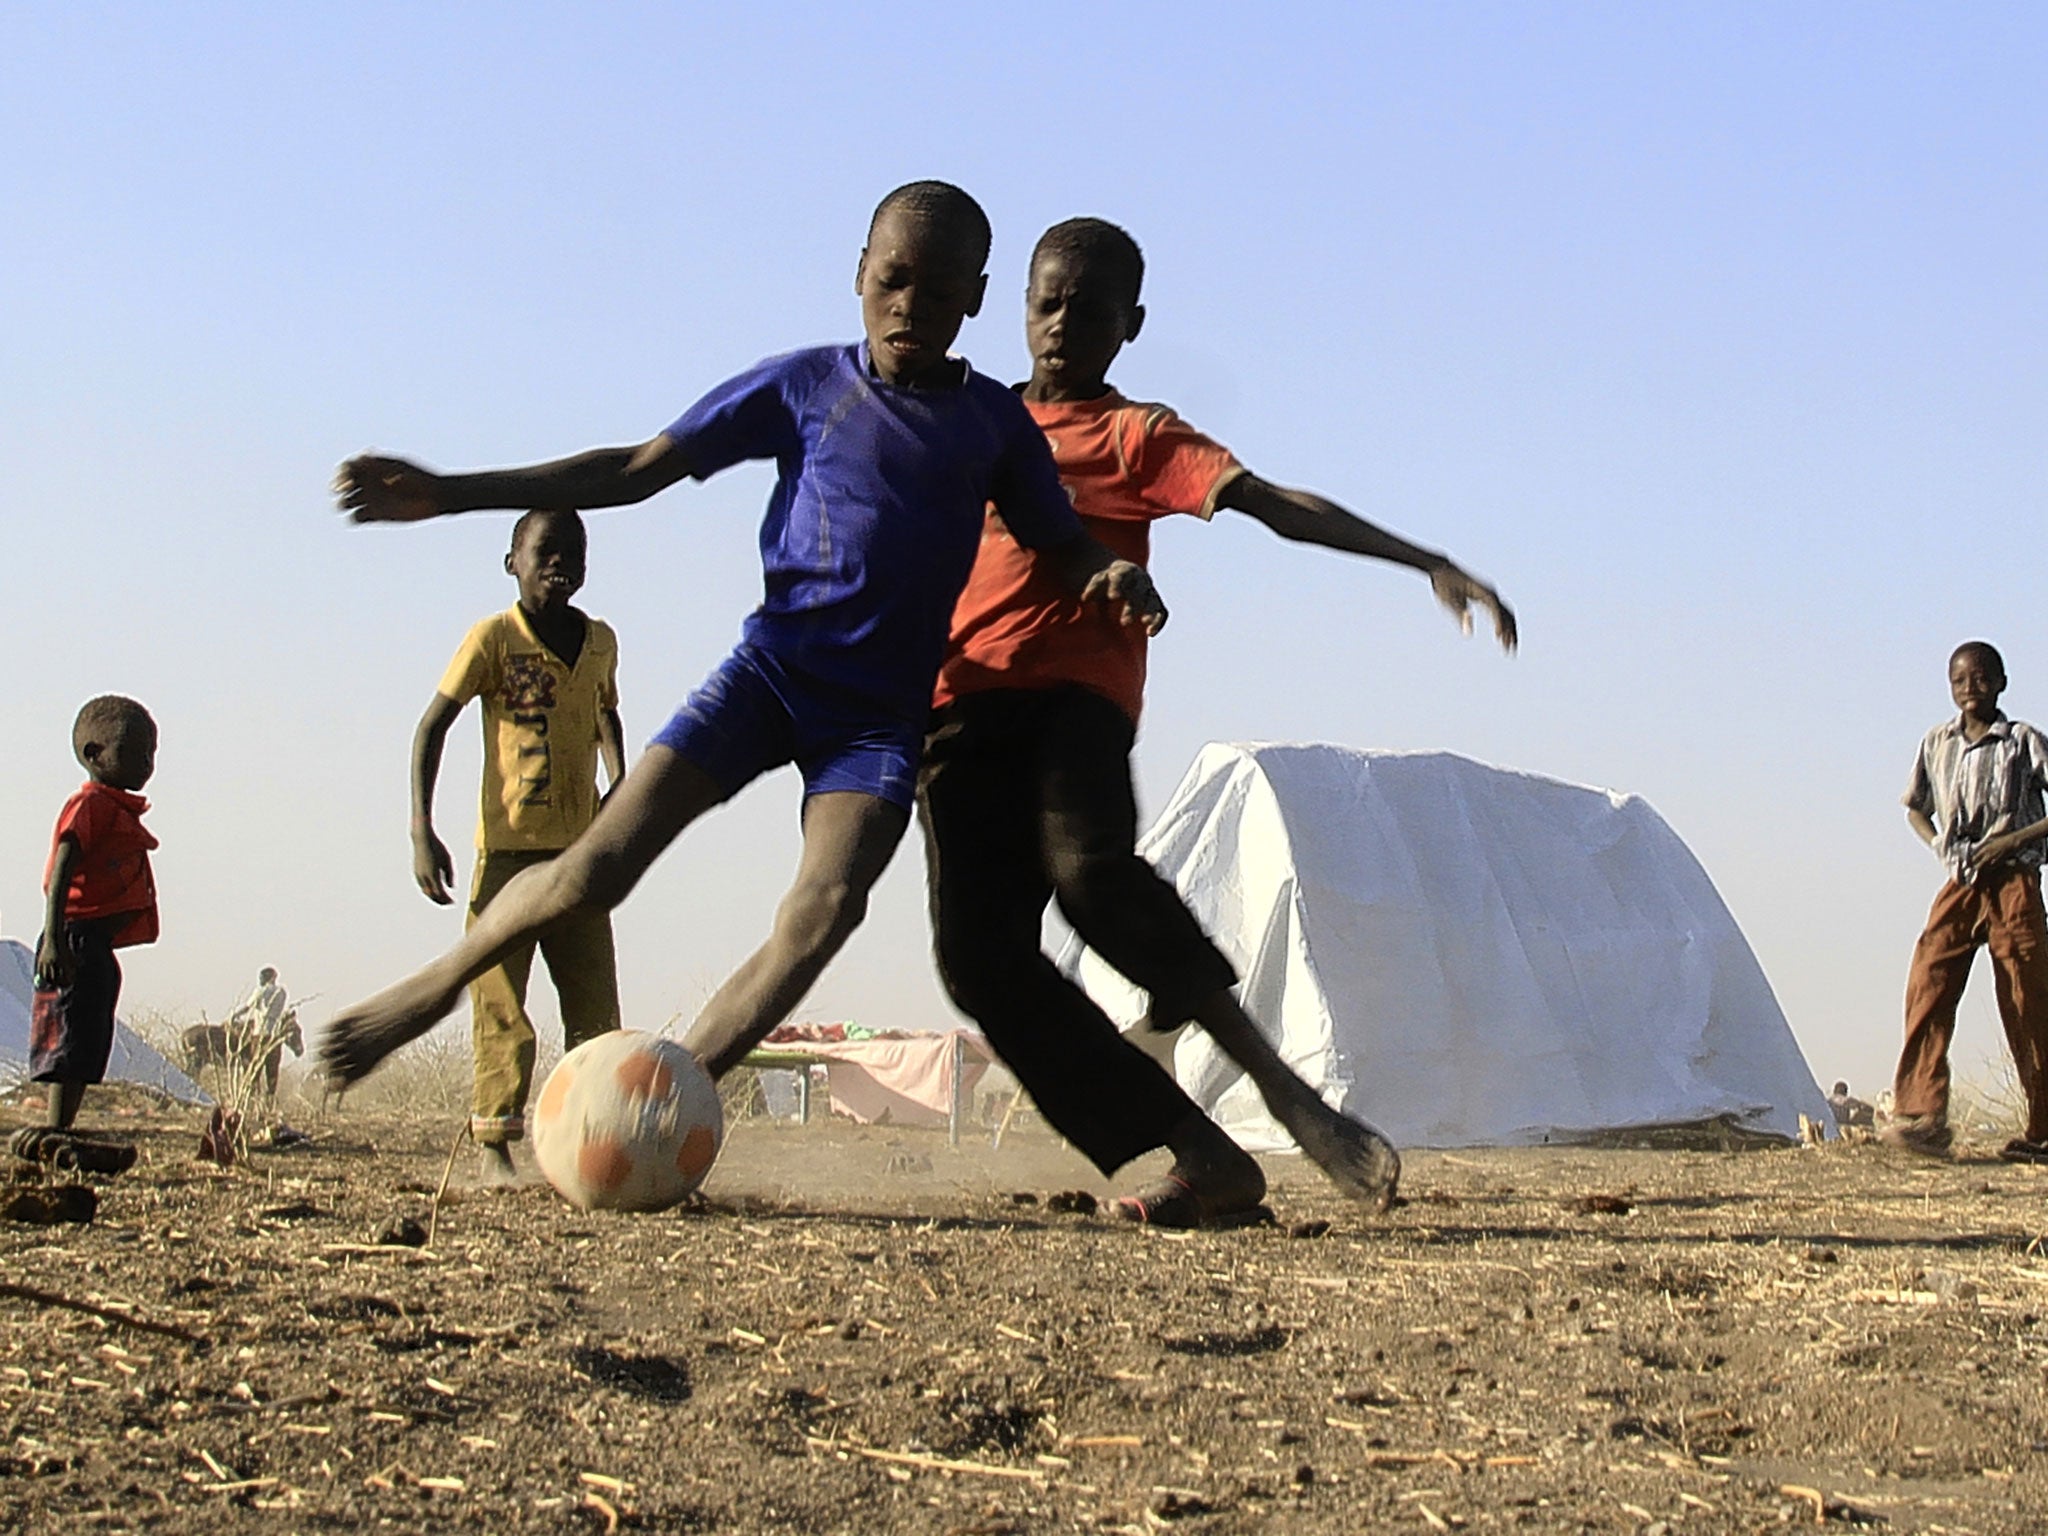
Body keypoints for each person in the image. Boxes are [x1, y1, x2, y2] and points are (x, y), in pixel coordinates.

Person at [318, 181, 1162, 1096]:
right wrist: (450, 492)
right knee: (595, 870)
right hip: (770, 677)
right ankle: (435, 986)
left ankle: (668, 1095)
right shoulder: (805, 385)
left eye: (938, 287)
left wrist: (1105, 570)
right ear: (859, 275)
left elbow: (1059, 538)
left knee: (826, 909)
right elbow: (639, 468)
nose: (910, 306)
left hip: (879, 723)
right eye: (893, 279)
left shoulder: (995, 424)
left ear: (977, 298)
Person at [921, 218, 1516, 1225]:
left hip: (1074, 703)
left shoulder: (1134, 435)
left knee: (1089, 874)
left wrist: (1425, 560)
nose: (1062, 325)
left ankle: (1286, 1095)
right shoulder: (969, 422)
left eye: (1090, 309)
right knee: (978, 964)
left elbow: (1276, 505)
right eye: (1047, 302)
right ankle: (1201, 1153)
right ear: (1017, 306)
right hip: (956, 711)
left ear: (1131, 325)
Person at [414, 509, 625, 1183]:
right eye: (544, 551)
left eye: (573, 553)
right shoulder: (494, 639)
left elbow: (606, 714)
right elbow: (431, 727)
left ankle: (593, 1134)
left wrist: (621, 785)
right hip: (507, 858)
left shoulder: (599, 642)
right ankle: (494, 1144)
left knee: (594, 1005)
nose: (559, 563)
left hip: (580, 857)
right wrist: (423, 830)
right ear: (513, 562)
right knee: (502, 1003)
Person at [1884, 641, 2048, 1162]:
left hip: (2014, 881)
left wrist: (2013, 840)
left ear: (2001, 683)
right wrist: (1938, 845)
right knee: (1928, 979)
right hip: (1961, 882)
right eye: (1960, 680)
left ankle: (2043, 1129)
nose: (1970, 688)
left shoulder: (2022, 742)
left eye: (1981, 678)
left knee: (2028, 998)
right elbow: (1914, 807)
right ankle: (1921, 1116)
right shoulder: (1937, 742)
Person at [15, 696, 160, 1173]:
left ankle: (64, 1128)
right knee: (70, 1035)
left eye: (151, 754)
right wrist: (54, 939)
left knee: (89, 1036)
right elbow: (62, 869)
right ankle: (56, 1130)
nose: (146, 764)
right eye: (136, 751)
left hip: (91, 943)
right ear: (96, 755)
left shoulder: (114, 809)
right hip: (74, 939)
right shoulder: (89, 806)